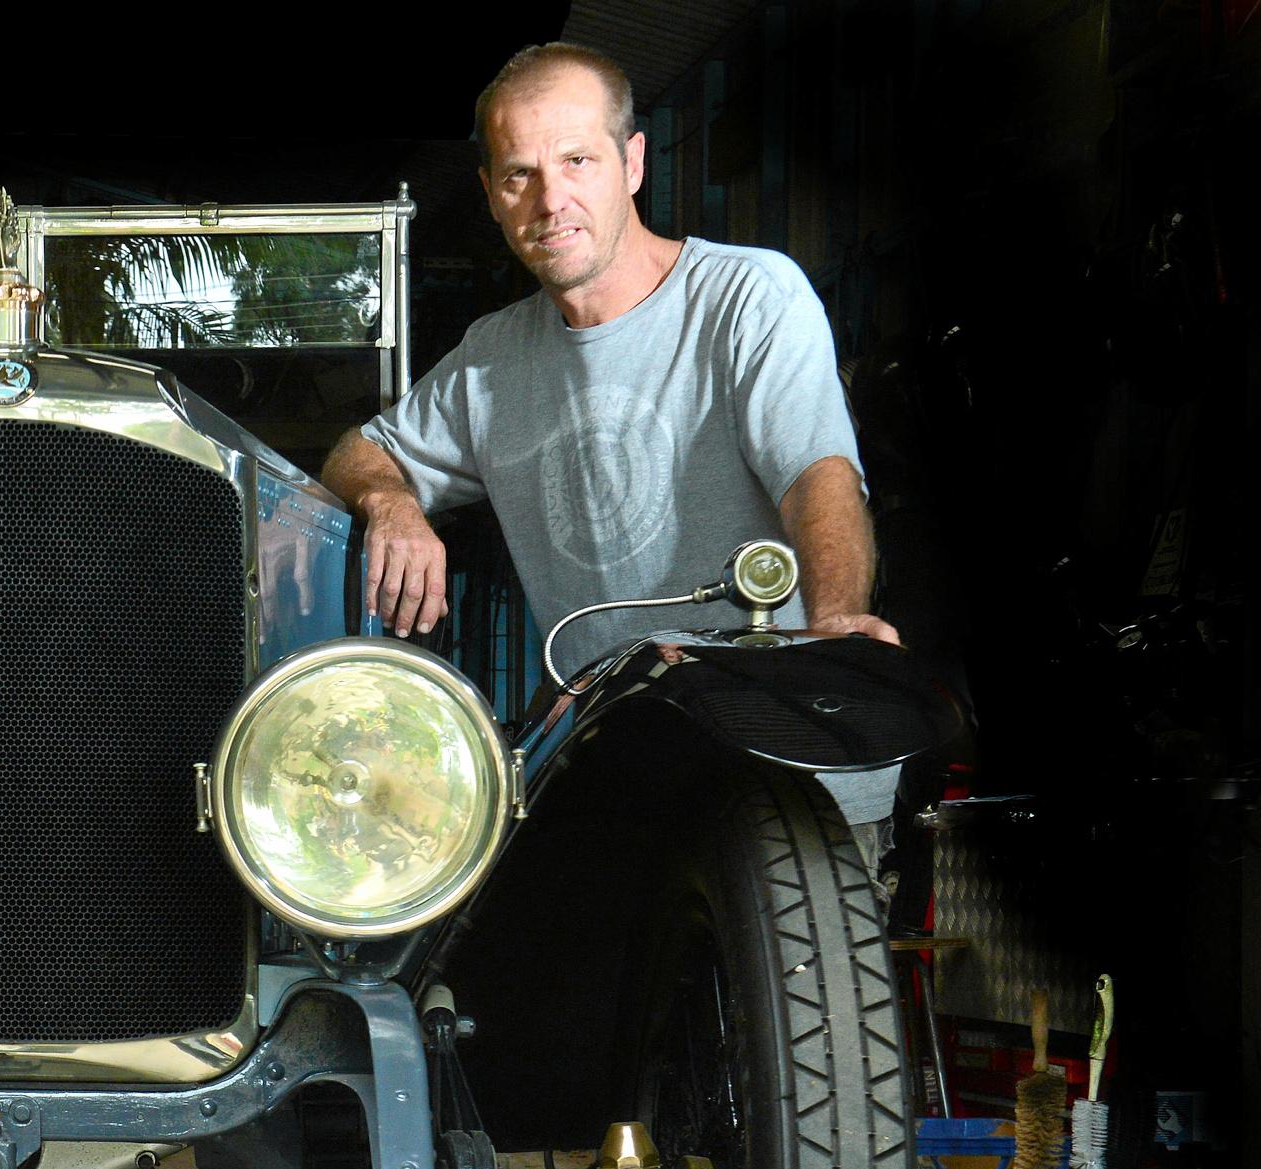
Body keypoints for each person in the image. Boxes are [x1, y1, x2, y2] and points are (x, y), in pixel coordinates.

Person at [319, 44, 902, 820]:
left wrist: (832, 625)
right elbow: (357, 455)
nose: (551, 201)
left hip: (791, 776)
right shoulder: (493, 358)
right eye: (521, 174)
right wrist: (395, 506)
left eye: (578, 160)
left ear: (631, 163)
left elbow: (817, 475)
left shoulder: (745, 298)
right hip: (631, 789)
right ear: (491, 194)